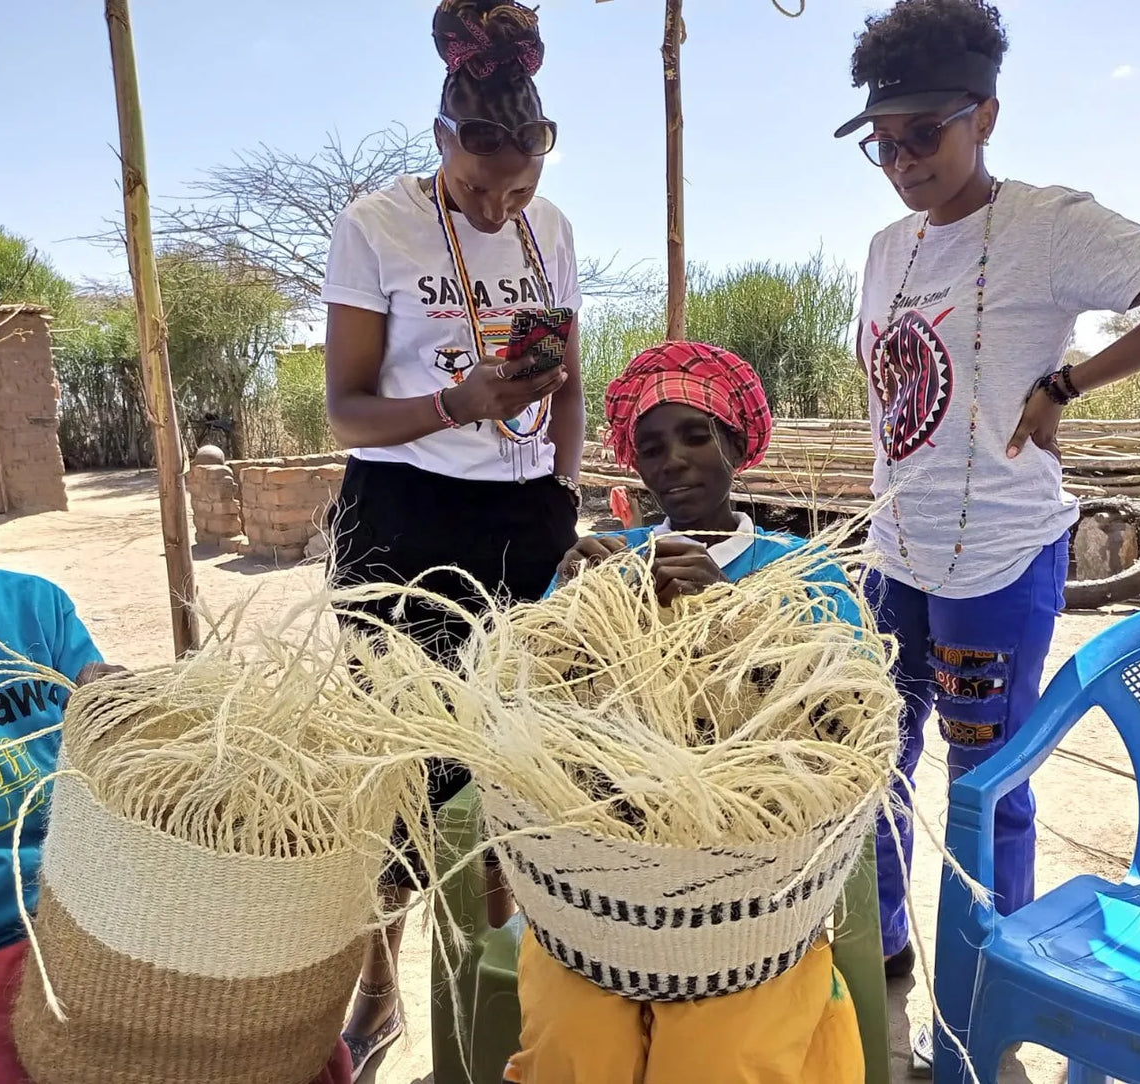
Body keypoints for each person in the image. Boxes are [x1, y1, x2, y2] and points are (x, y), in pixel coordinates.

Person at [833, 0, 1140, 994]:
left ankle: (987, 973)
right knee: (867, 763)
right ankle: (882, 945)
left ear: (985, 114)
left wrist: (1068, 382)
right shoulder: (887, 249)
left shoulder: (1043, 225)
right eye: (881, 143)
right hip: (894, 557)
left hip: (997, 560)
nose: (900, 160)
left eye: (921, 134)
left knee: (985, 785)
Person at [320, 0, 584, 1073]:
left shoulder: (550, 228)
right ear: (439, 144)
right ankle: (381, 979)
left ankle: (495, 965)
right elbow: (343, 410)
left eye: (517, 185)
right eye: (479, 185)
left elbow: (568, 372)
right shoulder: (374, 225)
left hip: (523, 516)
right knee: (405, 768)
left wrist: (560, 488)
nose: (498, 203)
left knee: (516, 750)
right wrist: (454, 406)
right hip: (404, 514)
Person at [504, 342, 864, 1084]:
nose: (673, 460)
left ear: (735, 444)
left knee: (721, 1054)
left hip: (750, 888)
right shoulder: (609, 556)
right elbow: (526, 690)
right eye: (652, 447)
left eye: (695, 436)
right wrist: (569, 603)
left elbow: (842, 707)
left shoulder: (798, 565)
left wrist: (729, 614)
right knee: (574, 1038)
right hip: (601, 880)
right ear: (635, 469)